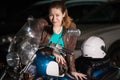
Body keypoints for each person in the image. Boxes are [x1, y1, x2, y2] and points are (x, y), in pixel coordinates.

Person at [36, 1, 87, 80]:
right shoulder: (43, 25)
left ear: (63, 14)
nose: (54, 19)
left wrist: (73, 70)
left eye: (57, 15)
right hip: (40, 63)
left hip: (57, 67)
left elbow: (70, 52)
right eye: (51, 15)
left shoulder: (70, 29)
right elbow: (36, 45)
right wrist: (52, 51)